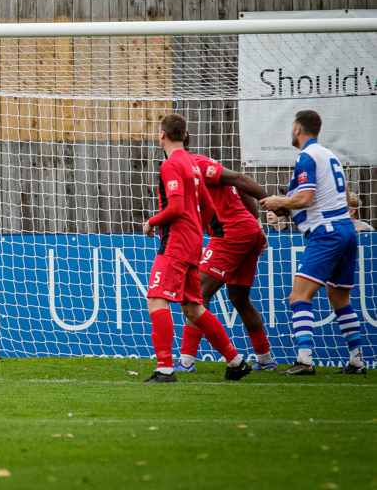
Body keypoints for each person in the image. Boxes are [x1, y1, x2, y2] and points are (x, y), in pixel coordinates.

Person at [142, 114, 252, 383]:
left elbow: (176, 207)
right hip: (193, 244)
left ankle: (165, 369)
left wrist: (151, 222)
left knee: (157, 298)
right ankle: (236, 362)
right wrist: (197, 230)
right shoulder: (192, 165)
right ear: (186, 135)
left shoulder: (170, 164)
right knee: (193, 307)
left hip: (176, 244)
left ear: (162, 135)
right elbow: (210, 207)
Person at [260, 110, 365, 375]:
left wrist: (278, 202)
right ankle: (356, 361)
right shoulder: (329, 155)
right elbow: (313, 200)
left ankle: (305, 361)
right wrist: (285, 207)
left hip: (326, 233)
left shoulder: (306, 156)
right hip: (345, 230)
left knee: (298, 296)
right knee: (339, 297)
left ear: (297, 129)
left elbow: (306, 199)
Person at [176, 141, 275, 372]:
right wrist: (257, 225)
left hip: (233, 233)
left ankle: (187, 361)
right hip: (245, 231)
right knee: (239, 299)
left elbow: (240, 179)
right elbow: (237, 185)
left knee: (197, 293)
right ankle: (265, 359)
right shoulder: (199, 164)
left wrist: (269, 203)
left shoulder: (195, 164)